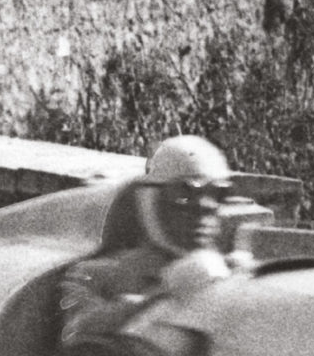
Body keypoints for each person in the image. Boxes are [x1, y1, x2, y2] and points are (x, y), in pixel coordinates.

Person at [59, 135, 243, 339]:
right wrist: (158, 296)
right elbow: (76, 335)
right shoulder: (94, 275)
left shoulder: (234, 273)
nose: (204, 207)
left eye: (218, 194)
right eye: (184, 193)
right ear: (152, 200)